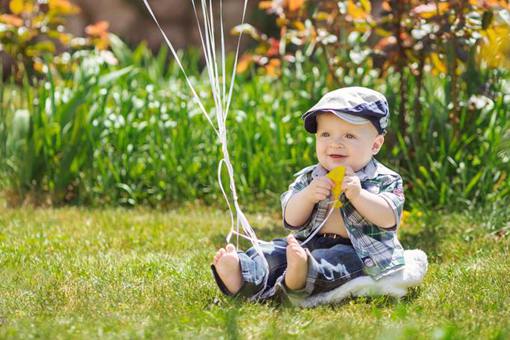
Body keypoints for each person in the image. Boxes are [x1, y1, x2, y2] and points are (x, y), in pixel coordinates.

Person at [211, 87, 406, 303]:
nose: (335, 143)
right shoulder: (310, 178)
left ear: (375, 144)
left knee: (333, 262)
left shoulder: (385, 179)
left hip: (360, 251)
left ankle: (302, 275)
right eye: (325, 134)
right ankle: (241, 272)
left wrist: (359, 195)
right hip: (309, 242)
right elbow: (291, 220)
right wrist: (308, 196)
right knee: (275, 251)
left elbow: (390, 219)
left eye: (349, 135)